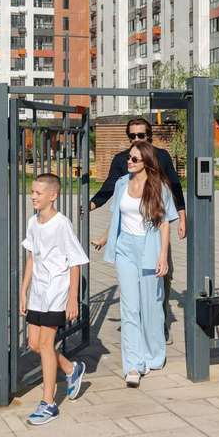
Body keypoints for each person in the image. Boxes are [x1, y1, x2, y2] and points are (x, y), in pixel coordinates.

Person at [89, 118, 185, 341]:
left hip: (155, 230)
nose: (136, 139)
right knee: (132, 285)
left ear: (149, 135)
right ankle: (137, 327)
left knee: (161, 278)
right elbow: (110, 186)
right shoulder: (123, 160)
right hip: (130, 236)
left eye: (140, 135)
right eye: (132, 136)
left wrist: (182, 216)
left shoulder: (161, 156)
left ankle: (159, 325)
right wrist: (91, 204)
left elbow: (175, 186)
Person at [91, 142, 177, 387]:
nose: (129, 162)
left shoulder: (159, 187)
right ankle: (133, 365)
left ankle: (154, 355)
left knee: (151, 306)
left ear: (146, 163)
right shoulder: (121, 184)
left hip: (149, 248)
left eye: (134, 159)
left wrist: (163, 256)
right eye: (129, 157)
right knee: (130, 307)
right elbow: (118, 217)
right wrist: (105, 238)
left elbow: (164, 223)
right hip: (125, 250)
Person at [19, 173, 89, 426]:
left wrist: (72, 298)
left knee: (46, 345)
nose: (33, 196)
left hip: (56, 292)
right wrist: (23, 290)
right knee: (34, 344)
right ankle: (71, 369)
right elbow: (32, 258)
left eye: (38, 193)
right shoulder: (33, 222)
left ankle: (48, 403)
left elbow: (76, 262)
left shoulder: (61, 224)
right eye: (32, 192)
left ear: (53, 195)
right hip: (37, 293)